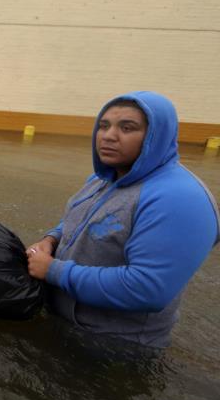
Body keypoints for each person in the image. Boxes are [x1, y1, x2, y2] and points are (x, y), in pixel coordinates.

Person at [26, 91, 219, 348]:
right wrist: (51, 239)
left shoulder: (179, 199)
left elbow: (147, 289)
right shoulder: (104, 179)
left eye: (127, 128)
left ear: (156, 135)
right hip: (65, 324)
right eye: (103, 126)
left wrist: (53, 270)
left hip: (114, 347)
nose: (109, 135)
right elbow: (83, 222)